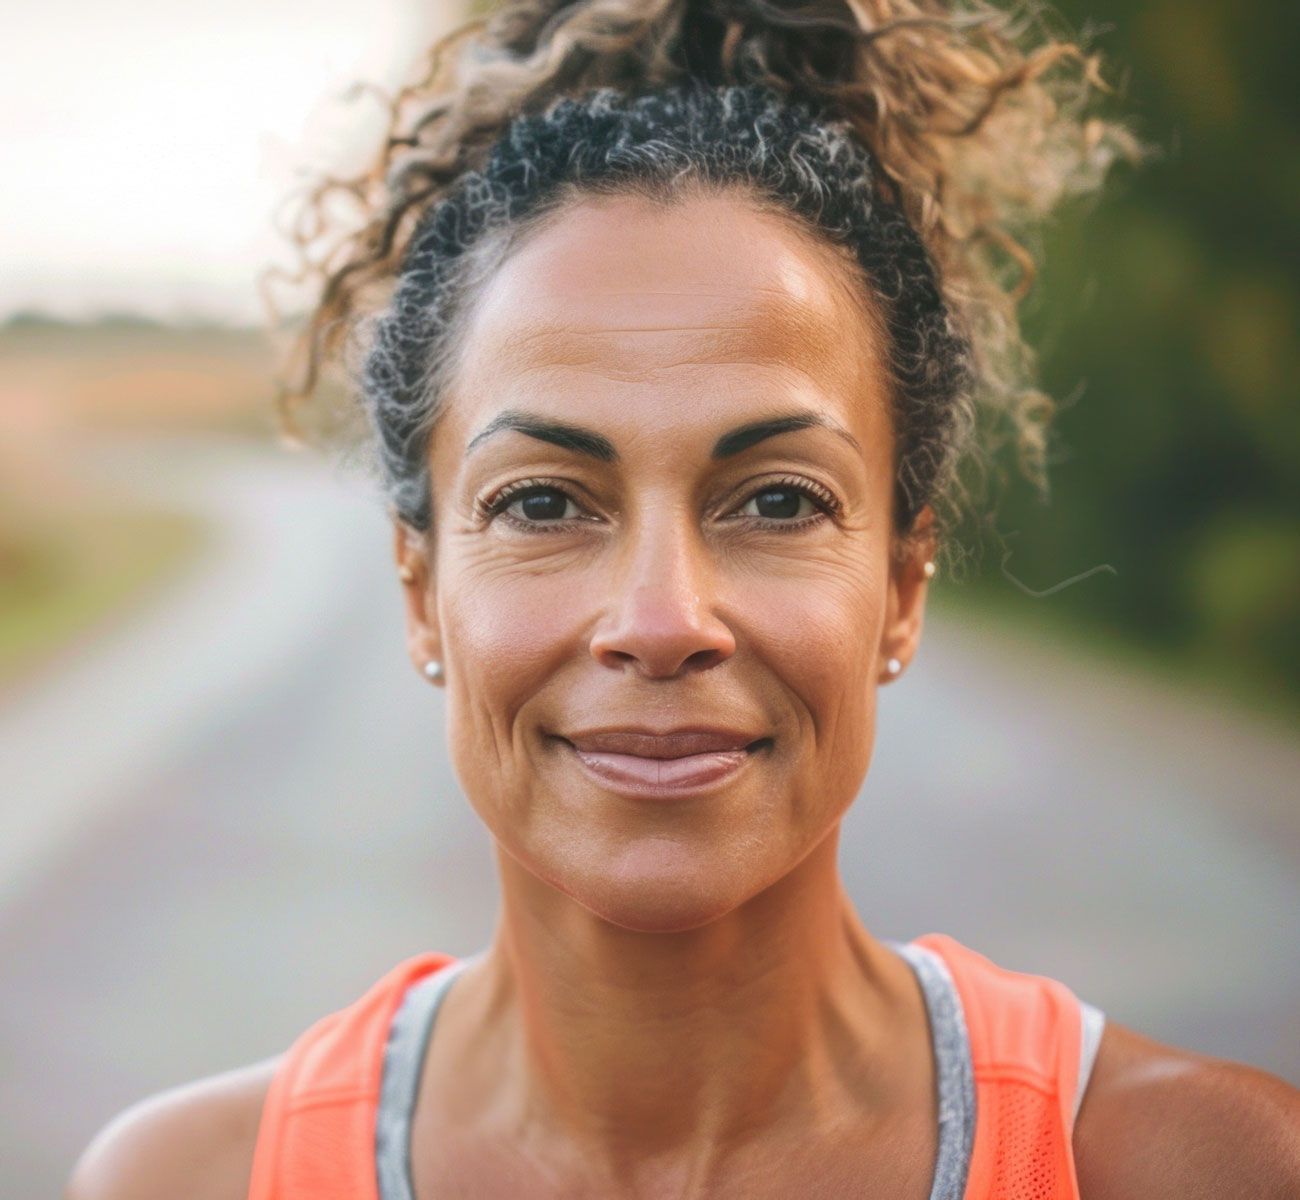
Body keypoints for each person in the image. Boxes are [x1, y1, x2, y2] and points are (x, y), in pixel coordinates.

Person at [67, 2, 1300, 1197]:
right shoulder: (180, 1182)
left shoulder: (1201, 1170)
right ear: (420, 589)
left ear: (902, 588)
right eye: (544, 504)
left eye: (776, 501)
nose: (661, 621)